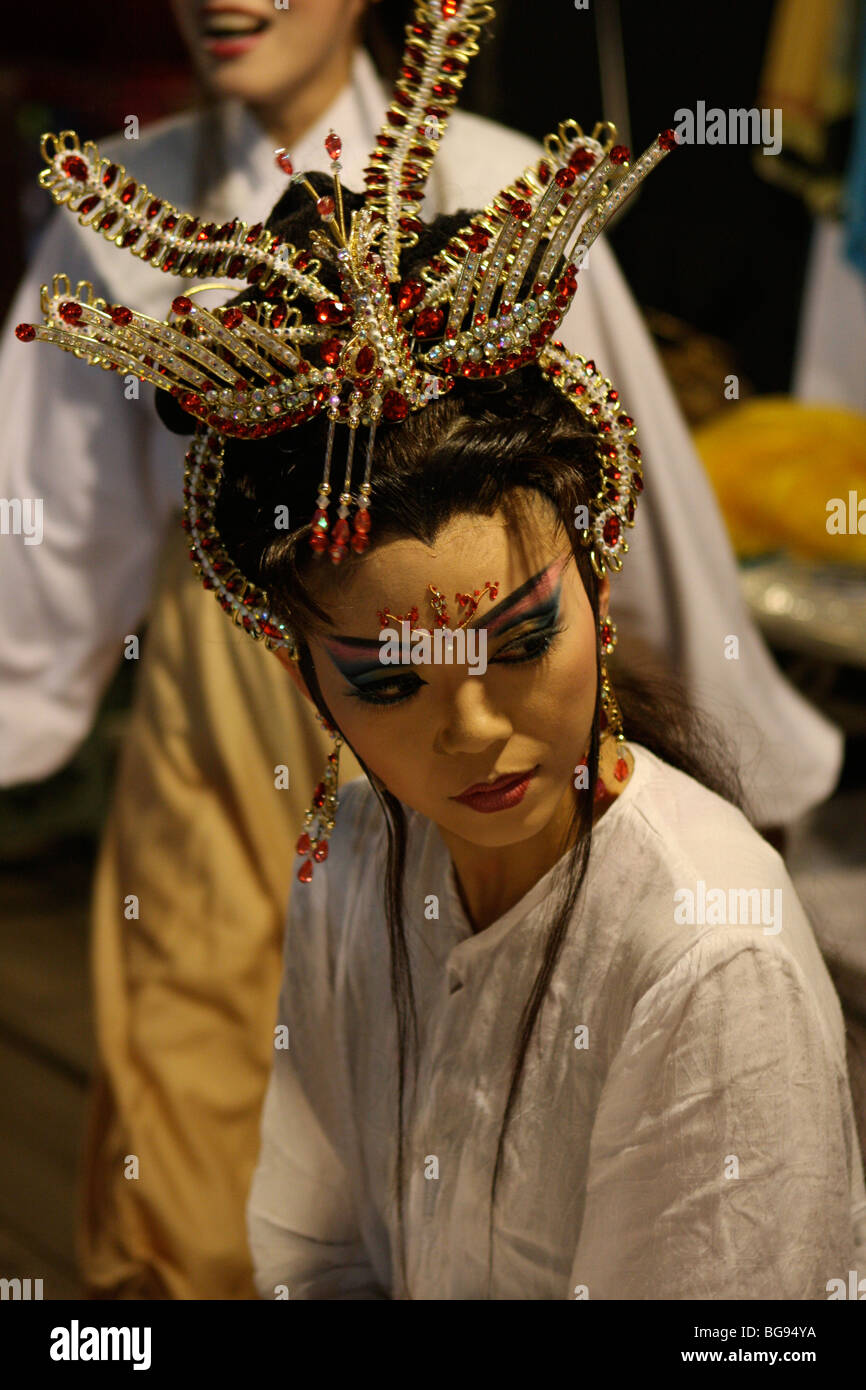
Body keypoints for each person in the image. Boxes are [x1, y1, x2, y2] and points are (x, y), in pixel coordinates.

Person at [4, 0, 844, 1299]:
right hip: (237, 694)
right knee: (188, 1151)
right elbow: (48, 539)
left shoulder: (505, 189)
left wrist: (742, 757)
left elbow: (617, 500)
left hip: (416, 649)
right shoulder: (125, 209)